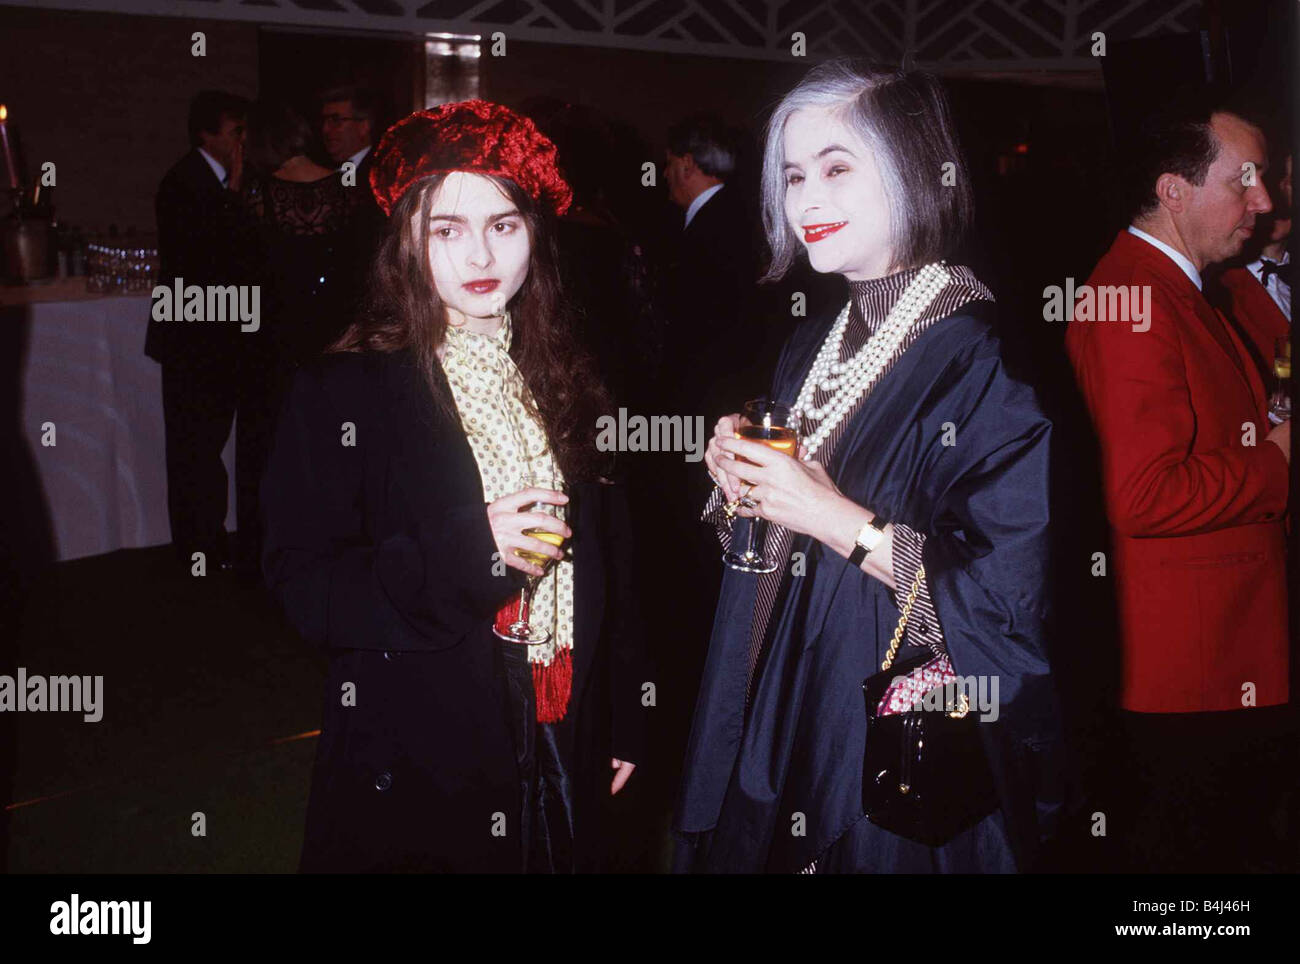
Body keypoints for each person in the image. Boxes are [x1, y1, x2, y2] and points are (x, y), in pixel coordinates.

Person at [673, 60, 1063, 873]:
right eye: (793, 177)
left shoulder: (987, 358)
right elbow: (768, 552)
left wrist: (833, 517)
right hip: (782, 709)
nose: (807, 202)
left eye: (837, 169)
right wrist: (740, 486)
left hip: (889, 746)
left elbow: (1010, 608)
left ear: (917, 171)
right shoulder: (815, 341)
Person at [260, 100, 646, 873]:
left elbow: (616, 559)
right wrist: (469, 549)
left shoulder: (565, 372)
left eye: (504, 224)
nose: (481, 255)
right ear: (407, 241)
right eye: (447, 229)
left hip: (561, 721)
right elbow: (304, 586)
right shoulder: (345, 391)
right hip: (422, 741)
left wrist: (626, 718)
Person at [1065, 98, 1291, 871]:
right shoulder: (1130, 297)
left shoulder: (1179, 287)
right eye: (1246, 182)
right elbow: (1145, 494)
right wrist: (1280, 460)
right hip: (1192, 664)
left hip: (1226, 647)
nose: (1264, 202)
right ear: (1173, 191)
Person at [146, 90, 257, 575]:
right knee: (194, 449)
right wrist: (233, 195)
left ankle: (209, 543)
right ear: (207, 135)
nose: (242, 141)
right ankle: (198, 550)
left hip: (218, 336)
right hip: (194, 338)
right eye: (235, 132)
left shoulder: (220, 183)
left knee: (207, 447)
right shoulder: (184, 183)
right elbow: (208, 258)